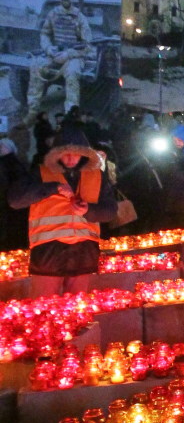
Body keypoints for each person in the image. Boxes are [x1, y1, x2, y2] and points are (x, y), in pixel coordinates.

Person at [7, 120, 118, 294]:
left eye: (76, 154)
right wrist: (52, 188)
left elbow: (110, 211)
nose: (71, 158)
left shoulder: (97, 176)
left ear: (84, 154)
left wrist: (88, 210)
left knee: (77, 311)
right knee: (45, 311)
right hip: (48, 256)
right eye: (65, 153)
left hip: (83, 255)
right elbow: (15, 200)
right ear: (56, 154)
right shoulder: (41, 173)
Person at [26, 0, 93, 123]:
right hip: (55, 52)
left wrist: (68, 54)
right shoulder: (53, 14)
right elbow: (44, 34)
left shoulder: (79, 17)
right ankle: (32, 110)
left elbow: (87, 45)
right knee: (36, 65)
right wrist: (49, 48)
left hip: (73, 55)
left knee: (72, 73)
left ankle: (70, 116)